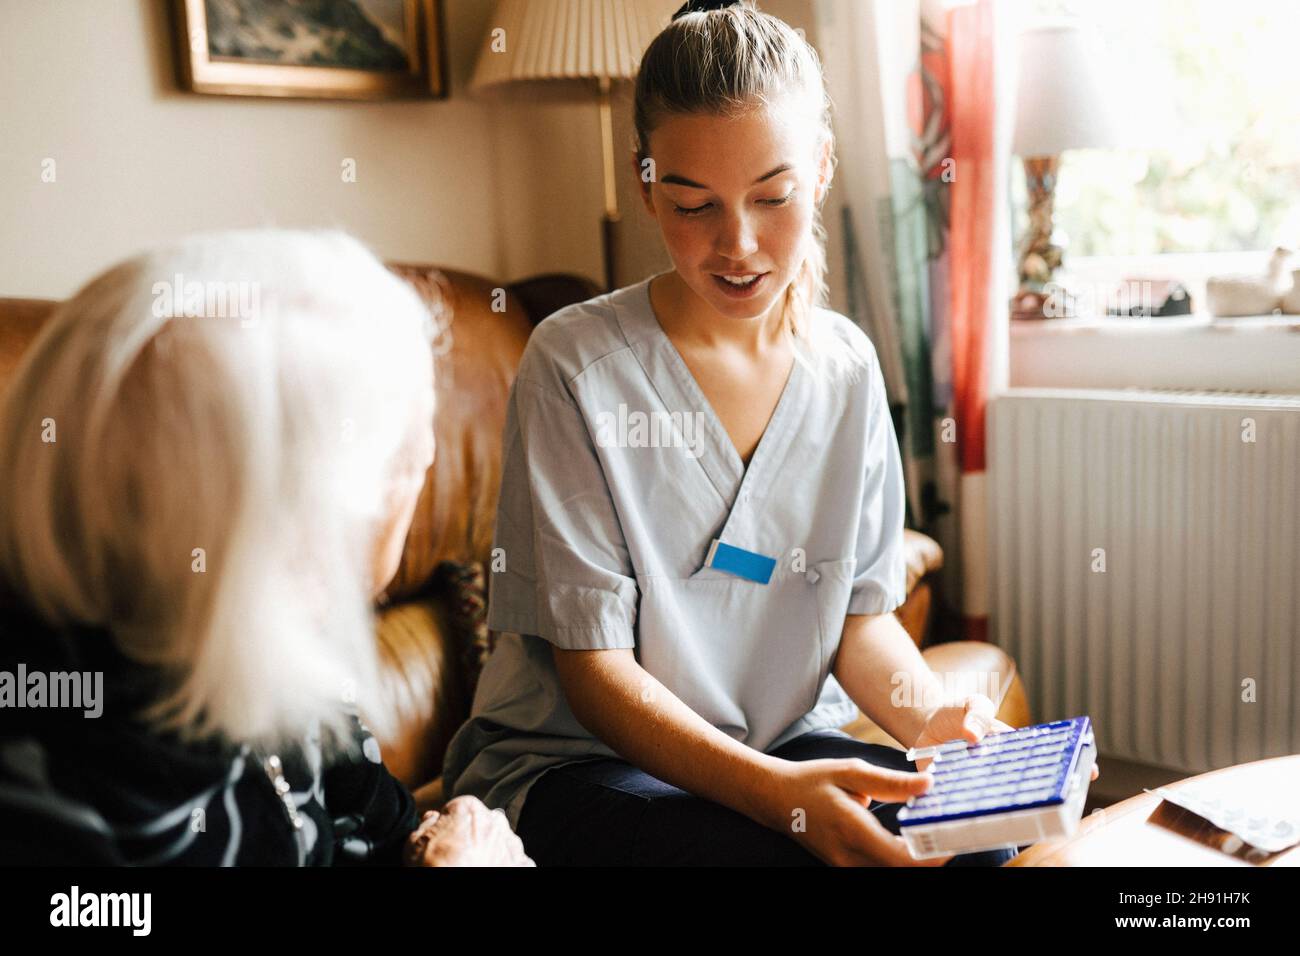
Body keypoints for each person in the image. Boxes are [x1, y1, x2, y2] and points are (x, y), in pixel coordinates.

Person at [441, 0, 1097, 866]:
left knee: (970, 850)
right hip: (583, 766)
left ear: (820, 168)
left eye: (772, 196)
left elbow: (858, 620)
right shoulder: (576, 365)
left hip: (782, 745)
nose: (737, 243)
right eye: (692, 203)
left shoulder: (847, 371)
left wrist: (926, 714)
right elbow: (593, 676)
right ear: (644, 183)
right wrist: (777, 797)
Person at [0, 230, 531, 866]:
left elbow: (383, 836)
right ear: (311, 530)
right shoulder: (46, 788)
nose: (423, 469)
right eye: (411, 455)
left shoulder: (289, 661)